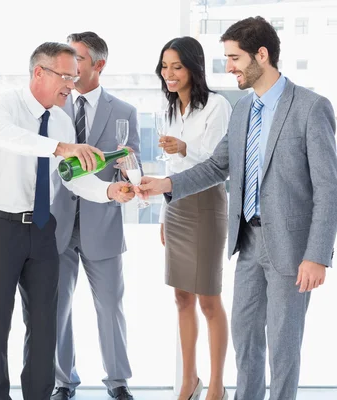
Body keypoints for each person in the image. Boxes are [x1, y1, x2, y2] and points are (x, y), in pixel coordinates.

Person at [136, 17, 337, 400]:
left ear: (261, 55)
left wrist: (317, 256)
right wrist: (167, 184)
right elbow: (216, 166)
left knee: (283, 344)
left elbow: (329, 188)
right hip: (247, 241)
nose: (228, 68)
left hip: (293, 249)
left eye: (234, 58)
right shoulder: (243, 109)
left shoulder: (311, 108)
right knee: (246, 340)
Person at [0, 41, 134, 400]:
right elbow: (2, 136)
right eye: (65, 76)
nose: (71, 84)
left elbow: (72, 176)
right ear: (39, 72)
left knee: (45, 325)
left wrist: (109, 192)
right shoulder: (4, 105)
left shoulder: (62, 120)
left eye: (74, 76)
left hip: (44, 230)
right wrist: (60, 147)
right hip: (0, 227)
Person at [51, 31, 140, 400]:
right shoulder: (54, 108)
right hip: (56, 225)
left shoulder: (124, 112)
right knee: (57, 309)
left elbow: (130, 165)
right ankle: (62, 382)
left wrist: (129, 170)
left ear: (98, 65)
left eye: (79, 58)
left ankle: (118, 383)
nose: (70, 65)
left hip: (102, 223)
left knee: (110, 308)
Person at [155, 37, 232, 400]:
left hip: (205, 205)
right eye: (165, 66)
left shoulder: (217, 106)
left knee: (208, 299)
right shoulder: (169, 108)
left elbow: (218, 163)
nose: (169, 74)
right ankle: (189, 381)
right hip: (176, 206)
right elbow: (169, 168)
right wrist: (163, 213)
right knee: (181, 298)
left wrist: (185, 146)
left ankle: (216, 386)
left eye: (177, 66)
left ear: (193, 68)